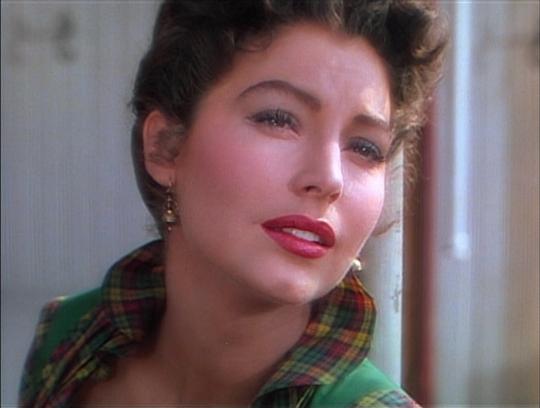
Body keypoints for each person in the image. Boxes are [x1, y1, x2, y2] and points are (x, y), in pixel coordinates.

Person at [19, 1, 447, 406]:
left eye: (366, 148)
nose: (329, 178)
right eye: (278, 119)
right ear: (165, 146)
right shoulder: (68, 341)